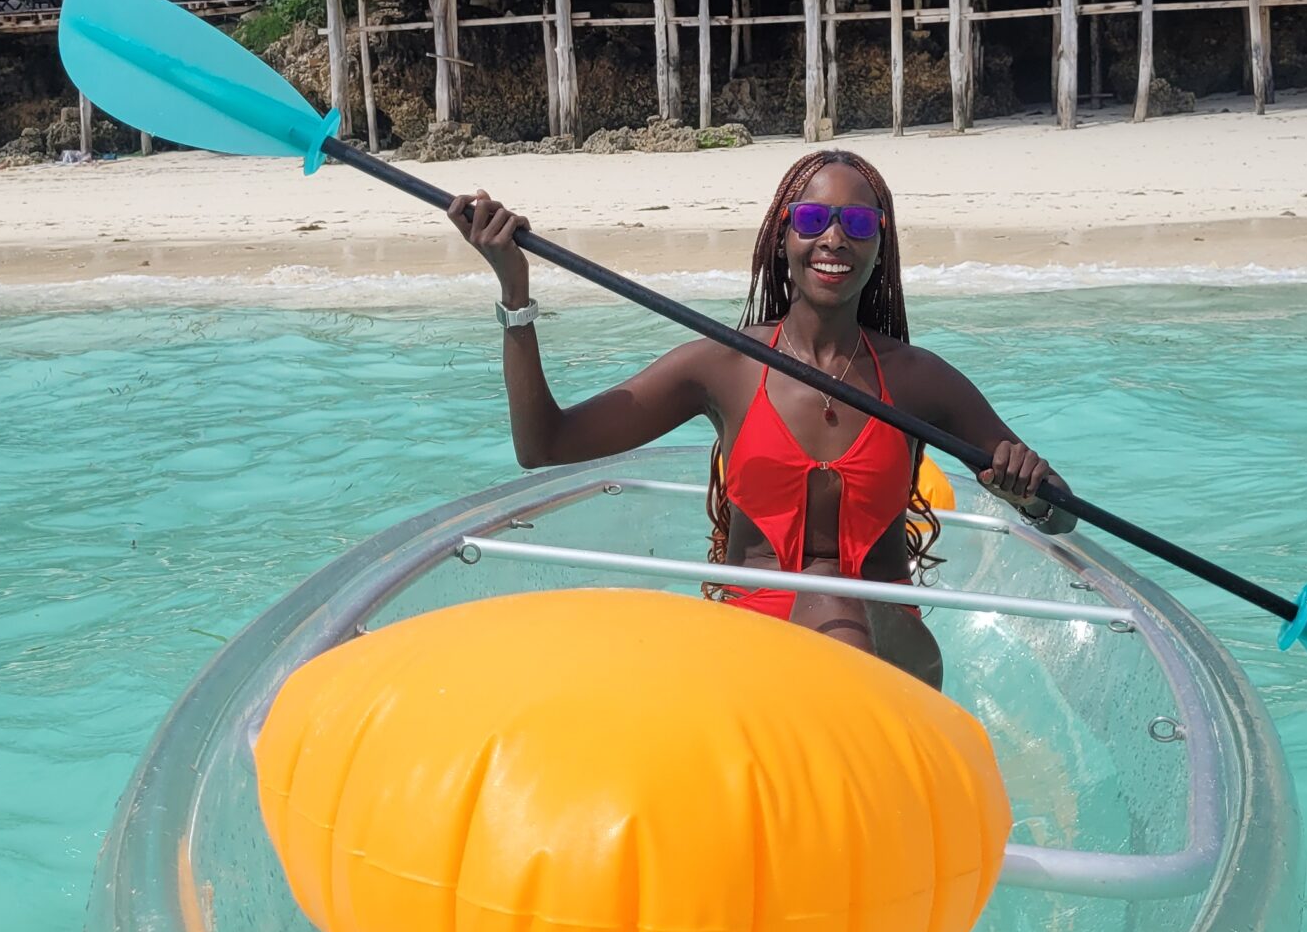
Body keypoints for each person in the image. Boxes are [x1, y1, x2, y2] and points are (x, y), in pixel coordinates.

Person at [448, 148, 1073, 687]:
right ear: (784, 236)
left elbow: (1063, 513)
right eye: (812, 219)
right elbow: (544, 443)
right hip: (751, 649)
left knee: (832, 596)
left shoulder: (919, 380)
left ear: (879, 246)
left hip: (884, 653)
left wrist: (1033, 493)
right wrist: (515, 292)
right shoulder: (723, 365)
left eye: (857, 223)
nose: (834, 239)